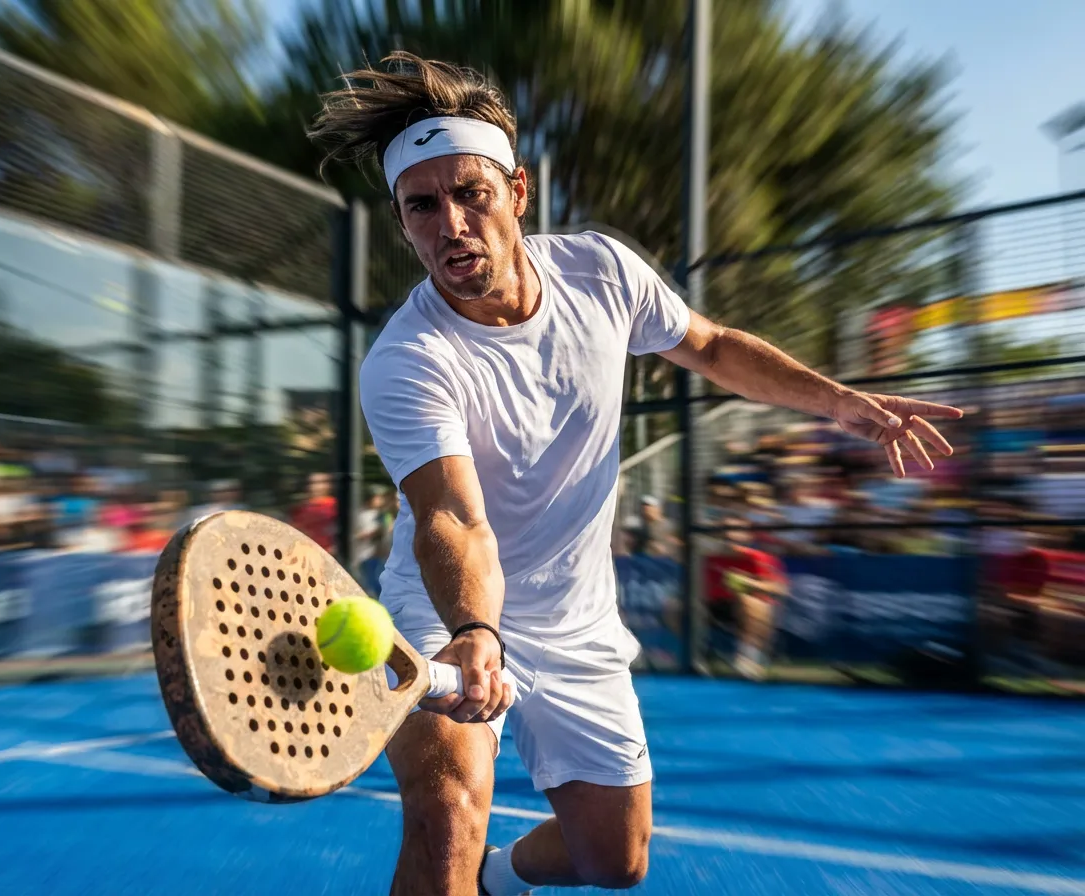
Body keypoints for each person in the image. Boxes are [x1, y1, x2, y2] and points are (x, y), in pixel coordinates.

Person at [307, 52, 963, 896]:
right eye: (422, 207)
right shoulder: (406, 360)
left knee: (613, 861)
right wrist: (476, 631)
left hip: (578, 621)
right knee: (444, 826)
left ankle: (502, 881)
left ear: (518, 191)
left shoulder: (602, 273)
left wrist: (838, 402)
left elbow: (714, 347)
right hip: (444, 613)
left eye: (471, 192)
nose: (451, 225)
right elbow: (452, 519)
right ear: (404, 223)